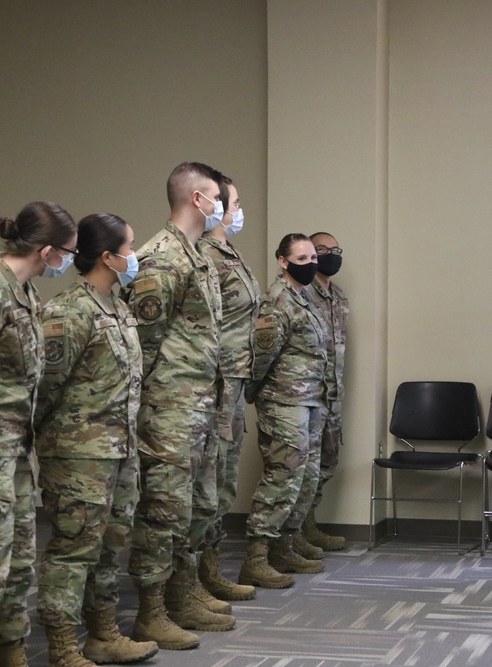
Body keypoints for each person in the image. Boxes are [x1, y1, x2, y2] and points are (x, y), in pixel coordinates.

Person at [0, 201, 77, 667]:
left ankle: (11, 649)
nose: (68, 262)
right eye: (67, 252)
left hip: (14, 452)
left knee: (18, 560)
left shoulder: (24, 294)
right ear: (47, 251)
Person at [34, 213, 158, 666]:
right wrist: (59, 441)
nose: (136, 254)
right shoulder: (68, 312)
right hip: (78, 457)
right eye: (129, 245)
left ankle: (103, 633)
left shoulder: (118, 307)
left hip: (120, 451)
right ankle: (62, 644)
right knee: (72, 550)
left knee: (110, 544)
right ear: (107, 256)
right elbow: (43, 389)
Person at [123, 161, 231, 651]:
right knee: (164, 511)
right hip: (168, 408)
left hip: (199, 404)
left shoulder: (197, 255)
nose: (224, 206)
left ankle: (183, 594)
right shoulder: (162, 258)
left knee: (196, 507)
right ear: (196, 199)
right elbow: (141, 346)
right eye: (217, 197)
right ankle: (151, 611)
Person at [238, 233, 328, 589]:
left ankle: (285, 545)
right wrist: (259, 395)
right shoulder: (277, 302)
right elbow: (261, 359)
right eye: (302, 259)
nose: (310, 265)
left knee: (304, 477)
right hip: (283, 401)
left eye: (312, 258)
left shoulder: (305, 298)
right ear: (283, 261)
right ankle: (256, 557)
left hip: (309, 399)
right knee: (282, 476)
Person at [197, 177, 262, 602]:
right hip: (216, 385)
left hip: (235, 384)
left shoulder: (229, 253)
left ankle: (209, 569)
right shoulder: (206, 256)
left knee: (222, 483)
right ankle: (195, 577)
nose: (239, 210)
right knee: (208, 484)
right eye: (234, 202)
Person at [302, 232, 349, 552]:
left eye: (335, 250)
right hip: (305, 394)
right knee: (299, 468)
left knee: (326, 462)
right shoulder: (301, 294)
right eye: (322, 250)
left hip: (332, 393)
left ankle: (308, 523)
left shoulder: (340, 296)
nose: (330, 255)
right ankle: (292, 534)